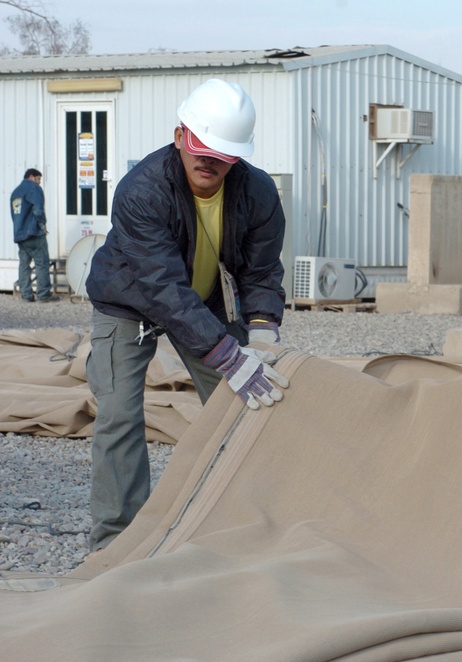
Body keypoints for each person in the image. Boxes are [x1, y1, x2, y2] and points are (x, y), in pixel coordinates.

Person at [84, 79, 290, 553]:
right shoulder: (142, 191)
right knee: (118, 416)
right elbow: (160, 288)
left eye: (221, 153)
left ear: (237, 157)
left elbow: (261, 271)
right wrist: (225, 353)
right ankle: (117, 544)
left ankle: (240, 525)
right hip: (128, 300)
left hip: (203, 304)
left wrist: (261, 333)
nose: (208, 161)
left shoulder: (257, 193)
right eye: (199, 146)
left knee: (243, 404)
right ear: (180, 137)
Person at [9, 168, 60, 303]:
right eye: (38, 179)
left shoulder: (16, 192)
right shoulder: (33, 188)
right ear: (31, 176)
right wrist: (42, 225)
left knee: (24, 264)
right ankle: (43, 294)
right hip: (33, 233)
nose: (39, 182)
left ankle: (26, 295)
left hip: (20, 234)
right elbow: (38, 210)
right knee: (41, 262)